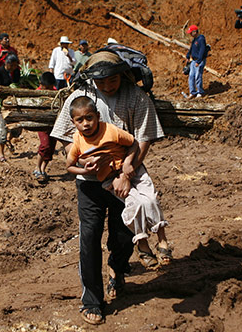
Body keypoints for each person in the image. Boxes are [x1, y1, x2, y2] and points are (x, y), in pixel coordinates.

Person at [50, 51, 165, 326]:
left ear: (122, 75)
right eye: (101, 81)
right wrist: (79, 157)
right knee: (89, 239)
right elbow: (65, 136)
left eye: (112, 80)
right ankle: (92, 301)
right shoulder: (78, 97)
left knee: (123, 234)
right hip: (89, 185)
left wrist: (127, 173)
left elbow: (144, 138)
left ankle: (117, 267)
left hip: (124, 181)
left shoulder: (136, 97)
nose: (106, 86)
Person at [65, 96, 171, 271]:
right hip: (110, 179)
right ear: (73, 122)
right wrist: (86, 171)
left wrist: (128, 163)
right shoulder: (78, 141)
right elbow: (69, 166)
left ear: (98, 116)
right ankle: (142, 243)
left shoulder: (111, 131)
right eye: (80, 120)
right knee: (135, 205)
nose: (86, 124)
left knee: (150, 199)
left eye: (89, 118)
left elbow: (133, 143)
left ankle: (162, 239)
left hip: (133, 171)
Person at [0, 53, 21, 162]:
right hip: (1, 105)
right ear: (8, 64)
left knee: (17, 128)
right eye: (14, 65)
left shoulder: (16, 72)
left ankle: (9, 140)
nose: (15, 67)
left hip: (13, 104)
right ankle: (1, 153)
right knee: (2, 129)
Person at [33, 72, 58, 182]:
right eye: (46, 87)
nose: (47, 89)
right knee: (45, 145)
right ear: (41, 84)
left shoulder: (56, 93)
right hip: (42, 124)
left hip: (53, 124)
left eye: (49, 87)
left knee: (51, 147)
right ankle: (37, 168)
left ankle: (43, 169)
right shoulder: (36, 93)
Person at [185, 25, 207, 98]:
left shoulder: (201, 39)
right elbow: (191, 48)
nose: (190, 34)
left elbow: (202, 50)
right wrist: (188, 55)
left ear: (195, 32)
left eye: (191, 32)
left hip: (199, 60)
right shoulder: (194, 40)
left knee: (198, 76)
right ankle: (192, 92)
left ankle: (200, 92)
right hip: (193, 61)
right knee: (191, 76)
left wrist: (199, 61)